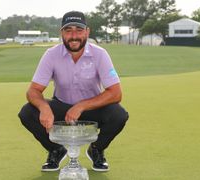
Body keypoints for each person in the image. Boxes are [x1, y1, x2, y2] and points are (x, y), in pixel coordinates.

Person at [18, 11, 129, 172]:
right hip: (62, 107)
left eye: (79, 30)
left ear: (87, 32)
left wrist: (82, 106)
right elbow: (33, 91)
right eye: (68, 30)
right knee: (27, 112)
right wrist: (44, 108)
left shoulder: (100, 54)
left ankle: (96, 149)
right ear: (61, 33)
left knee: (119, 114)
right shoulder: (51, 55)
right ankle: (55, 149)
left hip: (92, 108)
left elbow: (116, 93)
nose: (74, 36)